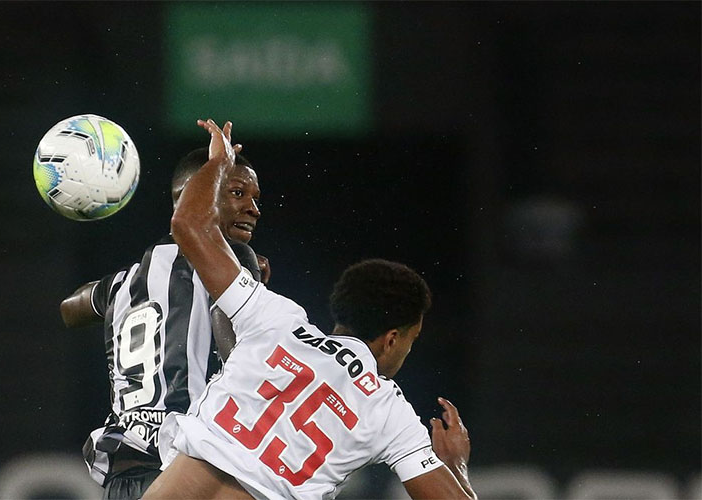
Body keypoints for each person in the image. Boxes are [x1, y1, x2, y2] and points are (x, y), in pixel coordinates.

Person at [142, 119, 477, 500]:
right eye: (411, 340)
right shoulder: (389, 411)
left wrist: (220, 161)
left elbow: (188, 224)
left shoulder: (273, 317)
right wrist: (455, 467)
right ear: (392, 338)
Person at [60, 146, 268, 499]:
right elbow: (239, 357)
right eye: (237, 193)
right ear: (193, 196)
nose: (253, 208)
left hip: (122, 480)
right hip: (186, 473)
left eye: (255, 197)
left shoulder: (123, 282)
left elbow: (69, 308)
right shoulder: (229, 263)